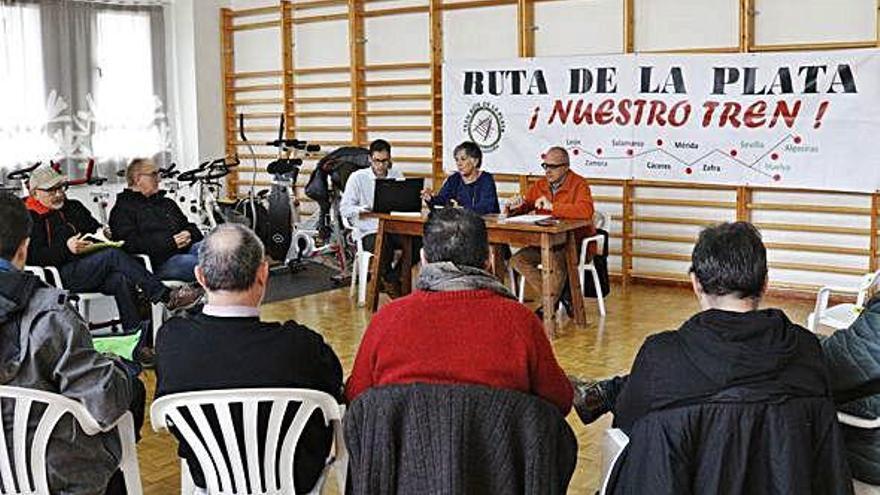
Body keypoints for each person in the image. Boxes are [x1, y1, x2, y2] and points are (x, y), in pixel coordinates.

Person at [572, 222, 852, 494]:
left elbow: (630, 426)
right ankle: (605, 391)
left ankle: (604, 392)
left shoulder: (662, 353)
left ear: (695, 283)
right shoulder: (807, 349)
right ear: (765, 282)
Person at [155, 223, 344, 494]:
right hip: (293, 479)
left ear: (200, 277)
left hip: (210, 476)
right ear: (263, 274)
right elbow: (333, 390)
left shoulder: (171, 341)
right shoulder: (301, 345)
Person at [345, 207, 572, 415]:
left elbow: (356, 395)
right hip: (496, 457)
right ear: (489, 261)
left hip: (404, 457)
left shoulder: (388, 319)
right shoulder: (520, 321)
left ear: (423, 259)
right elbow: (560, 400)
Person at [0, 192, 145, 495]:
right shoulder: (51, 314)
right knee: (127, 388)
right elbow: (103, 405)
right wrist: (117, 367)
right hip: (57, 475)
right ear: (24, 248)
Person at [24, 165, 201, 356]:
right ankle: (166, 296)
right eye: (52, 190)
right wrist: (66, 248)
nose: (59, 194)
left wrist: (105, 233)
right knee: (112, 255)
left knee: (121, 280)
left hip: (91, 267)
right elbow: (33, 257)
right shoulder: (29, 217)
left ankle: (137, 345)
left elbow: (94, 229)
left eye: (61, 187)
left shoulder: (74, 207)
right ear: (35, 193)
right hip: (60, 275)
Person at [506, 146, 595, 314]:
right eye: (545, 166)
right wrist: (514, 207)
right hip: (544, 242)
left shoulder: (579, 184)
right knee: (517, 260)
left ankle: (548, 307)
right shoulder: (540, 184)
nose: (547, 170)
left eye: (552, 166)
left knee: (556, 260)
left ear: (566, 167)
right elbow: (526, 205)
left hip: (572, 244)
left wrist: (553, 207)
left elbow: (586, 212)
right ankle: (559, 296)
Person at [110, 157, 204, 282]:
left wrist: (189, 233)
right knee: (203, 265)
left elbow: (191, 228)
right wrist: (170, 243)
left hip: (185, 251)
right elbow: (129, 245)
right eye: (154, 174)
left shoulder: (166, 203)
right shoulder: (122, 210)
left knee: (215, 249)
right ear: (138, 179)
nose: (159, 179)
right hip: (158, 264)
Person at [340, 139, 414, 296]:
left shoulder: (396, 175)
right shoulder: (357, 178)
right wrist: (362, 209)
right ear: (370, 159)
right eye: (377, 161)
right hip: (368, 231)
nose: (381, 166)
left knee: (417, 241)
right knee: (382, 242)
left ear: (390, 159)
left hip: (393, 227)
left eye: (385, 161)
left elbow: (403, 204)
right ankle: (390, 281)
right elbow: (344, 209)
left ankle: (391, 277)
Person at [421, 141, 499, 214]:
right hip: (458, 224)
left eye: (463, 159)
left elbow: (486, 207)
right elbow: (442, 201)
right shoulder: (454, 179)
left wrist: (460, 209)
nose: (459, 163)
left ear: (475, 161)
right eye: (457, 160)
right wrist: (430, 199)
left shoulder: (486, 179)